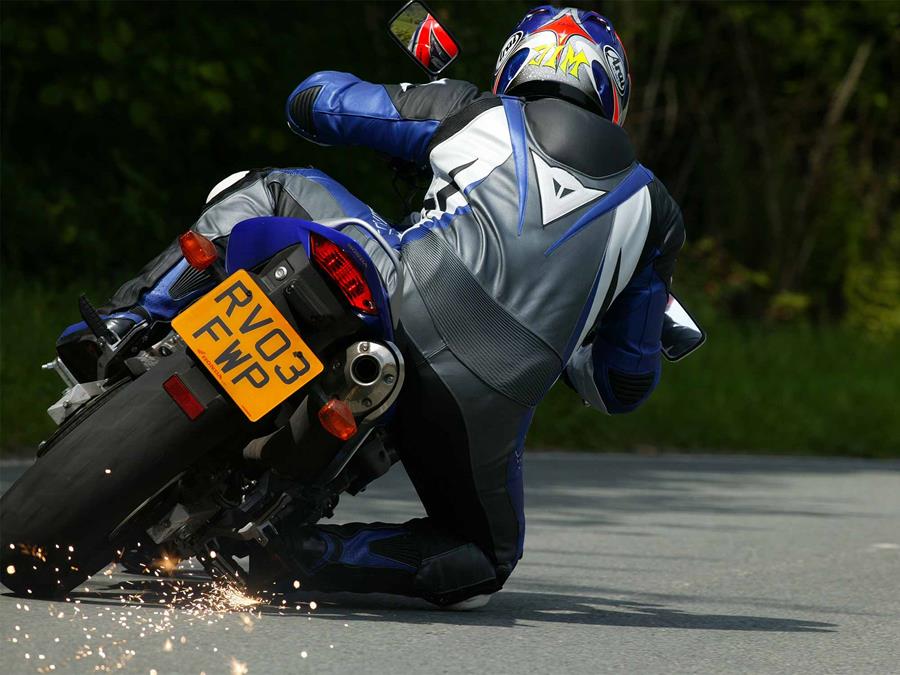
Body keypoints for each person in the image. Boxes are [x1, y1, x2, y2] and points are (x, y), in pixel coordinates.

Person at [58, 6, 684, 609]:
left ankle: (132, 319)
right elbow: (621, 384)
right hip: (477, 411)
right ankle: (298, 553)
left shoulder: (474, 110)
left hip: (400, 295)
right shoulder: (656, 212)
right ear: (613, 93)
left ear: (514, 65)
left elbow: (315, 101)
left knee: (273, 187)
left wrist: (419, 103)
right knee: (483, 553)